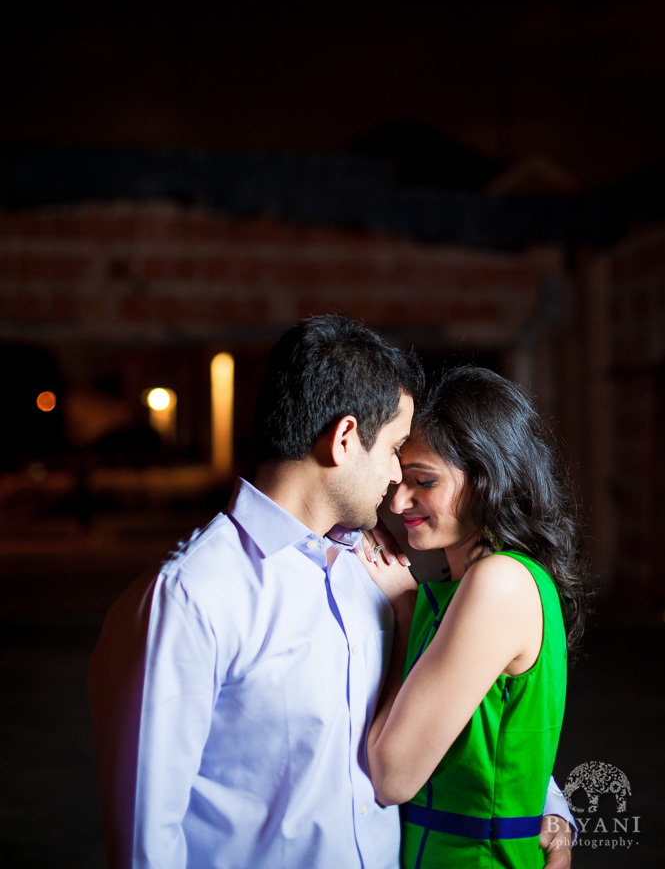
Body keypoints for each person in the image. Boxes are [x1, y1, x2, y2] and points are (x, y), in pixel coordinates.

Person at [88, 318, 573, 869]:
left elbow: (461, 704)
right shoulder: (193, 598)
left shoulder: (372, 569)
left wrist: (544, 803)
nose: (396, 482)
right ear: (345, 440)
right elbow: (146, 842)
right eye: (394, 450)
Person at [358, 365, 588, 868]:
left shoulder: (497, 582)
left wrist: (402, 612)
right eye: (399, 478)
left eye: (424, 481)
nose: (397, 502)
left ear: (487, 481)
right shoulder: (474, 582)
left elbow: (391, 775)